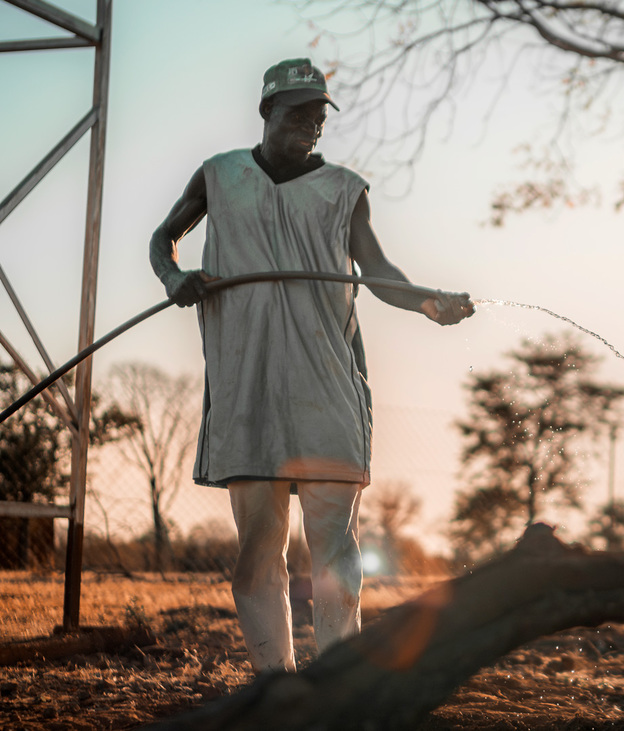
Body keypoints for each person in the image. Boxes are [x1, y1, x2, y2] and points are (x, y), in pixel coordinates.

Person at [148, 58, 474, 673]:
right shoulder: (219, 176)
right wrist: (175, 278)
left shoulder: (344, 190)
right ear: (266, 110)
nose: (311, 123)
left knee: (335, 549)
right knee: (258, 550)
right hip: (246, 389)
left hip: (327, 389)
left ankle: (337, 683)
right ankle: (278, 685)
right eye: (298, 111)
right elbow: (162, 238)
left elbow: (376, 273)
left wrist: (431, 303)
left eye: (319, 114)